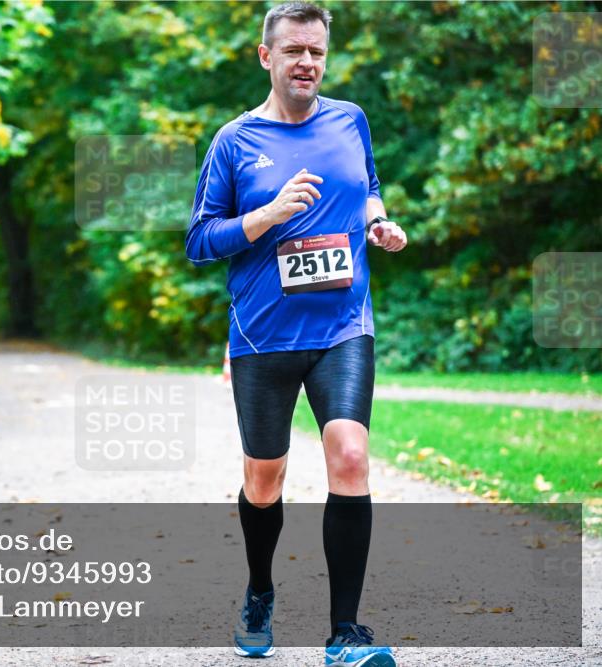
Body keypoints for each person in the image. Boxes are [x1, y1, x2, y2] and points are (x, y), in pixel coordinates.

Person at [185, 3, 407, 665]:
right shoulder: (235, 142)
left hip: (343, 323)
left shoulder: (350, 120)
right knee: (265, 478)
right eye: (293, 51)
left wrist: (378, 221)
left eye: (316, 51)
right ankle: (259, 589)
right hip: (263, 336)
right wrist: (268, 215)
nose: (307, 62)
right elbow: (200, 240)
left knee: (348, 454)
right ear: (266, 57)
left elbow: (367, 185)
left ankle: (345, 632)